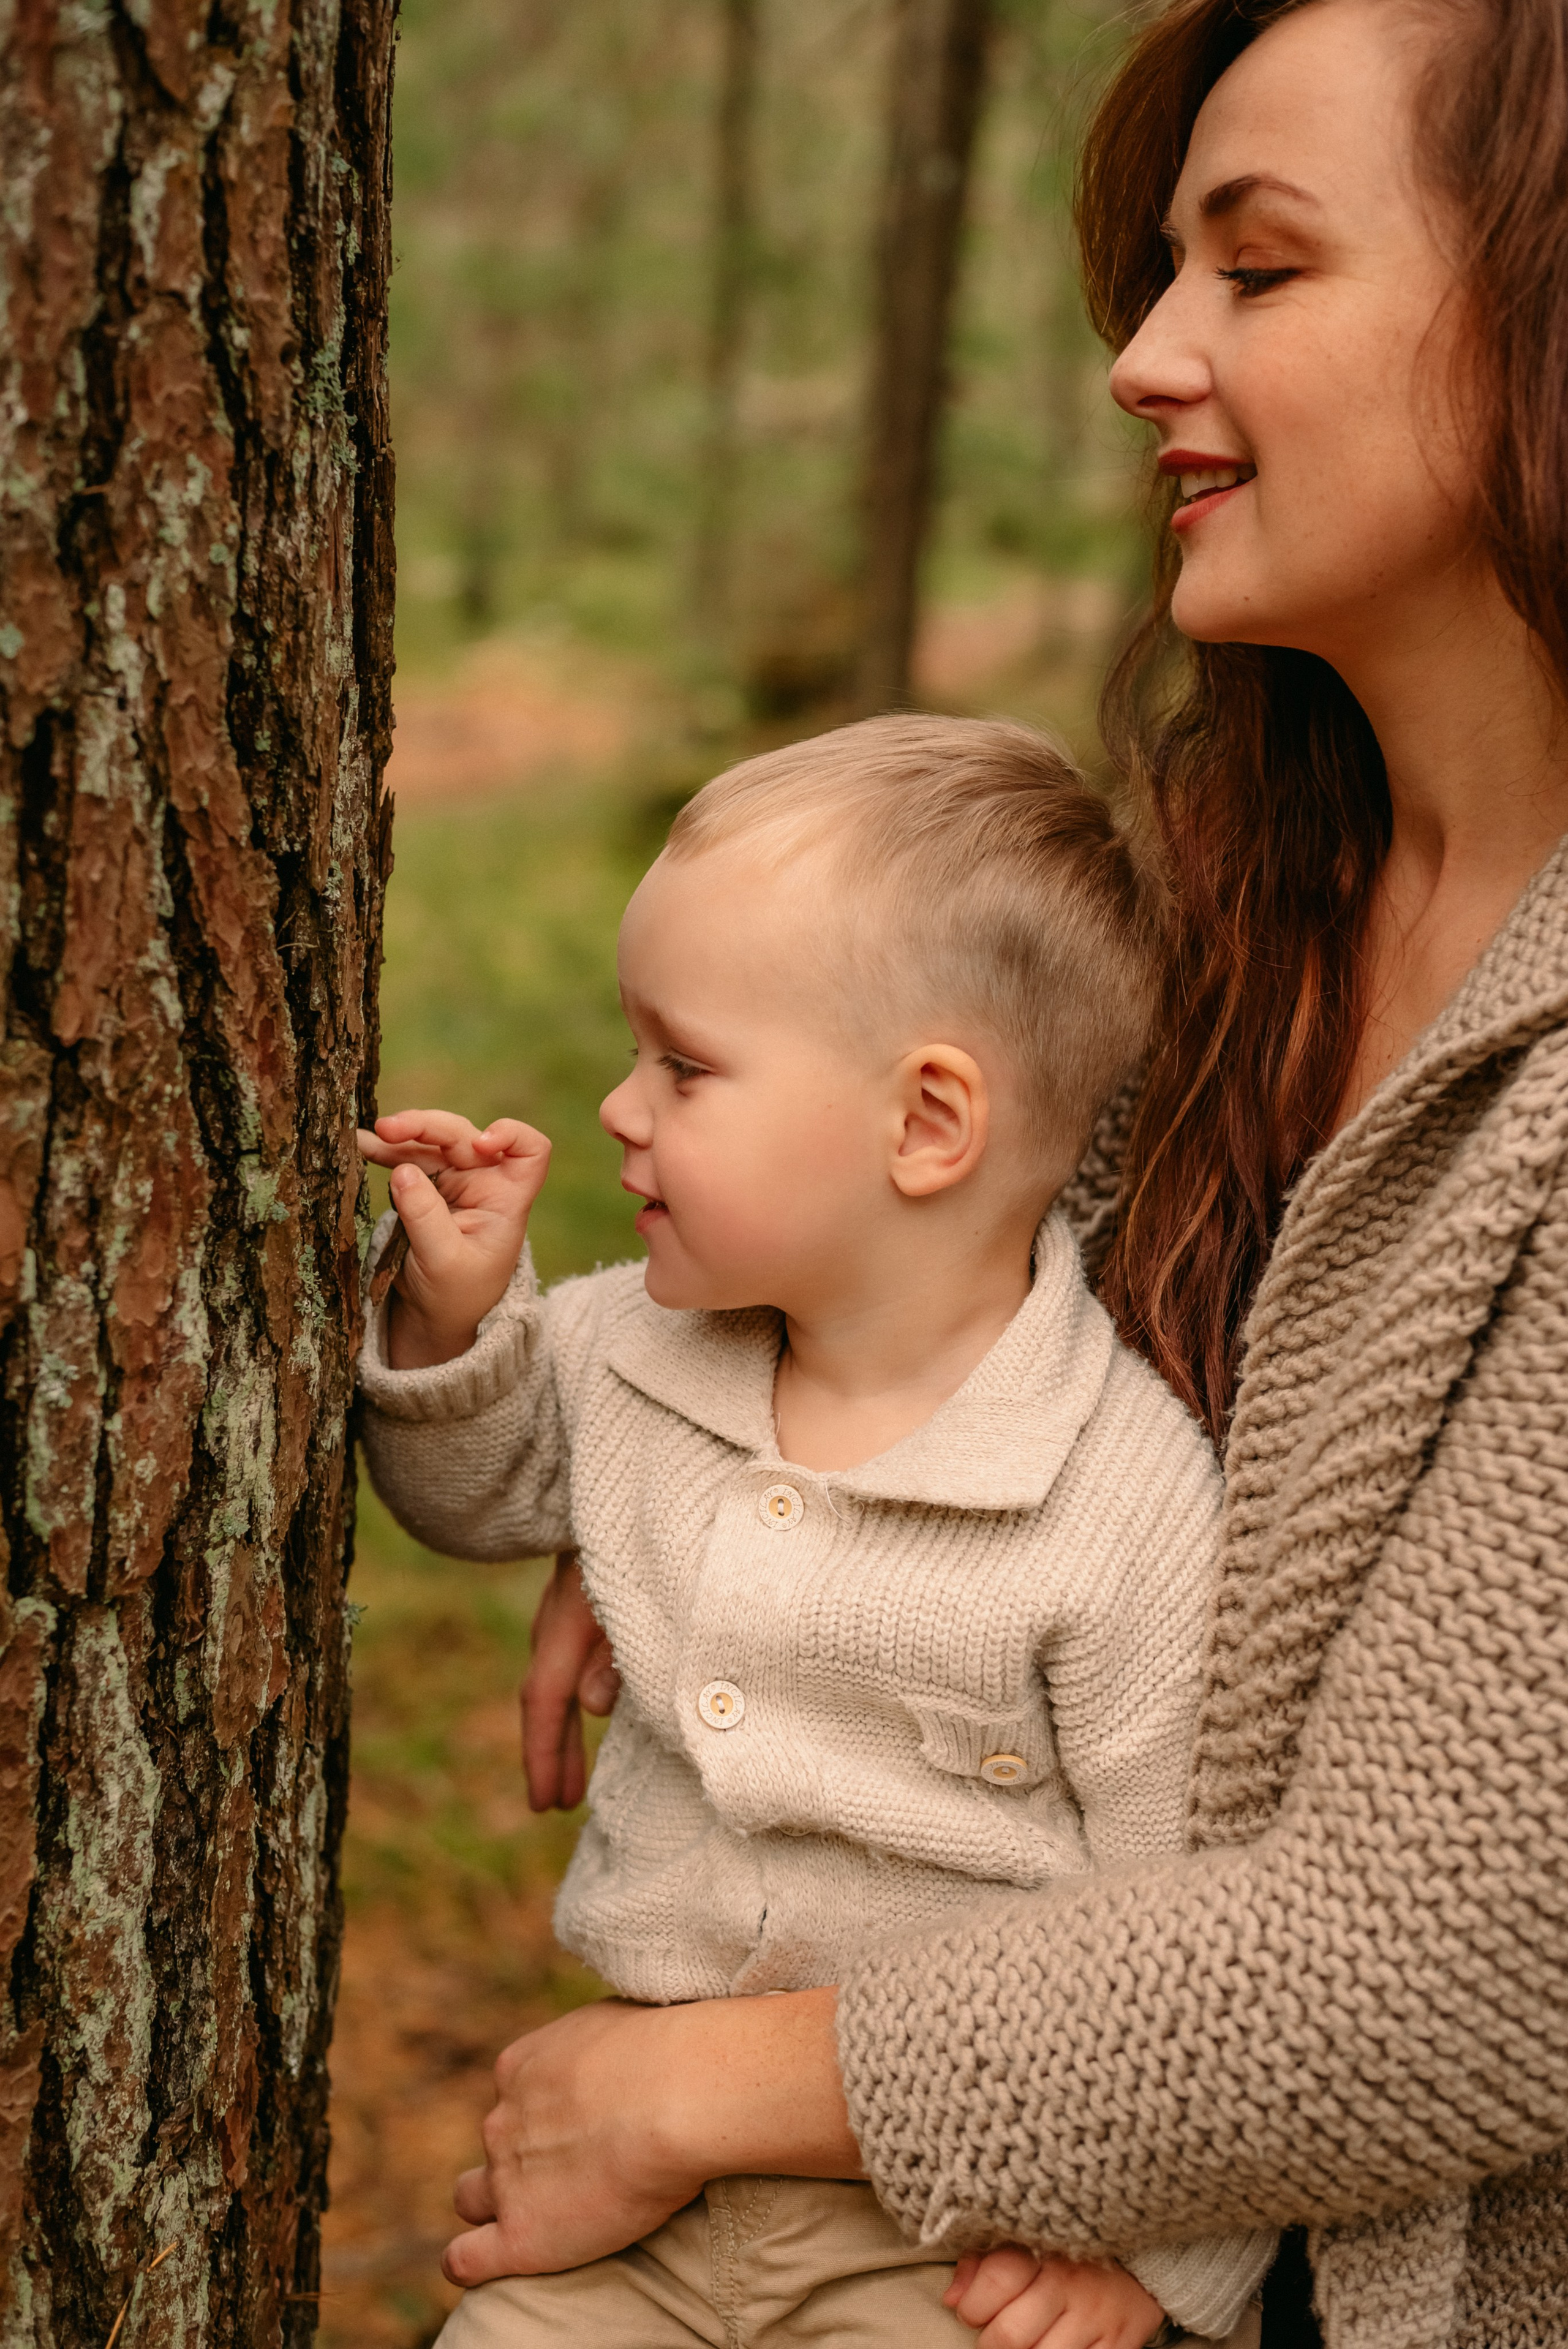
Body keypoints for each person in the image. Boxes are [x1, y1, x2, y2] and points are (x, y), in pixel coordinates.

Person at [408, 2, 1568, 2345]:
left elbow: (1441, 1962)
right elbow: (958, 1324)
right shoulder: (1220, 911)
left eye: (1259, 270)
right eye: (1159, 275)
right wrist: (736, 1500)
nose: (1144, 357)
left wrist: (723, 2086)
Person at [358, 717, 1275, 2348]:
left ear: (927, 1123)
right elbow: (471, 1489)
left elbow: (1185, 1922)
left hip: (952, 2232)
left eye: (684, 1066)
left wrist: (1157, 2261)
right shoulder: (638, 1345)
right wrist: (458, 1324)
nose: (617, 1105)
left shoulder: (1118, 1499)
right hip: (621, 2203)